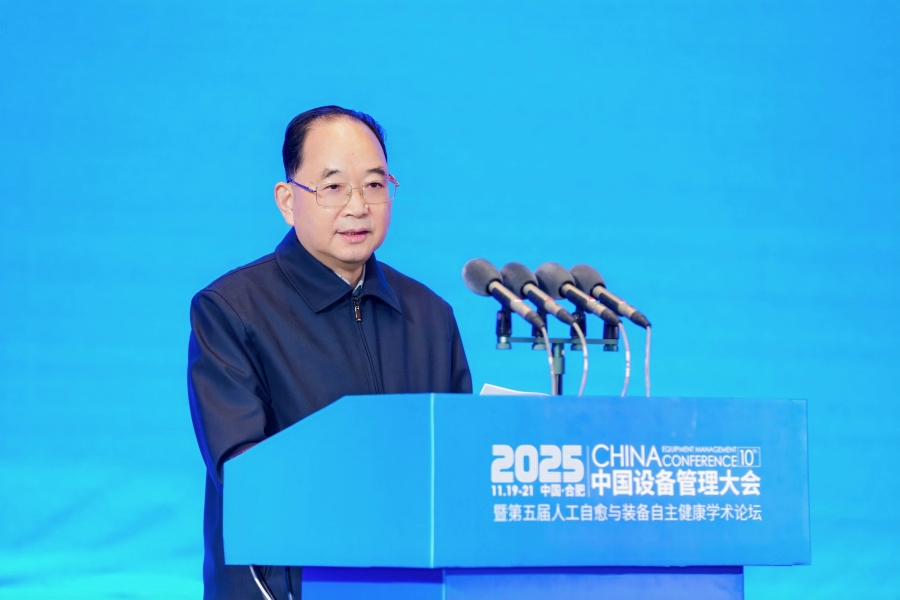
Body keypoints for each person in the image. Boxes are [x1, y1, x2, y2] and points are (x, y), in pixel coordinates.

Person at [187, 106, 472, 600]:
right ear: (287, 200)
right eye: (334, 186)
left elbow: (458, 457)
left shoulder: (430, 315)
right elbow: (244, 470)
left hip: (413, 585)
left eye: (374, 185)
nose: (358, 206)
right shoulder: (231, 310)